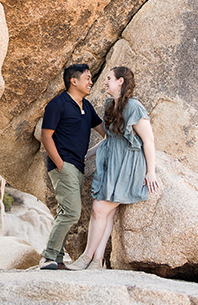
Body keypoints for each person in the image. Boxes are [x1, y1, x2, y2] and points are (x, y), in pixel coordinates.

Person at [68, 66, 159, 270]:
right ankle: (97, 261)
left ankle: (86, 257)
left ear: (120, 81)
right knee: (106, 213)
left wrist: (150, 171)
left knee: (99, 209)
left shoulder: (134, 106)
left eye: (109, 78)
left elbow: (148, 140)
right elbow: (110, 138)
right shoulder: (110, 104)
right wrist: (86, 155)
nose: (105, 81)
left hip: (128, 164)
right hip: (112, 163)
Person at [39, 63, 106, 270]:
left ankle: (57, 258)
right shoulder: (58, 104)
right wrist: (59, 163)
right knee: (72, 212)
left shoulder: (87, 107)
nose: (91, 81)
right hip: (63, 164)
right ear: (73, 81)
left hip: (78, 165)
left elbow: (104, 131)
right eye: (87, 78)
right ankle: (47, 256)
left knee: (65, 211)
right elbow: (46, 136)